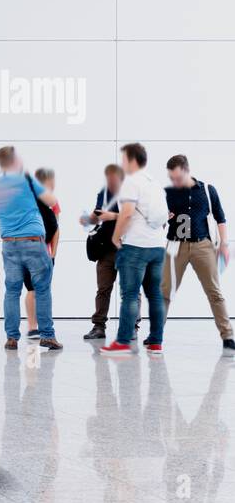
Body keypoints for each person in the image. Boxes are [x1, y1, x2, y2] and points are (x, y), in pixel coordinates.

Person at [0, 146, 62, 350]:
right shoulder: (26, 180)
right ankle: (47, 336)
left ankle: (11, 338)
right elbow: (51, 200)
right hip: (33, 242)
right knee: (42, 289)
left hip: (9, 244)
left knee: (12, 291)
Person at [162, 154, 235, 355]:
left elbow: (220, 217)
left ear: (187, 170)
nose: (174, 182)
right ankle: (156, 335)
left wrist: (224, 244)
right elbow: (157, 219)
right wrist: (163, 217)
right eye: (171, 178)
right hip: (176, 246)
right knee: (165, 291)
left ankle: (228, 336)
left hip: (203, 245)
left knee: (214, 291)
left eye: (177, 178)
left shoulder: (207, 190)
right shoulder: (167, 193)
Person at [101, 143, 169, 356]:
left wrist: (115, 236)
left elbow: (127, 213)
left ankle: (122, 343)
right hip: (157, 246)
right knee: (155, 296)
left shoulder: (131, 182)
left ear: (131, 159)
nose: (121, 163)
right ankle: (156, 342)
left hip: (136, 246)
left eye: (123, 159)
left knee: (130, 295)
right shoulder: (155, 183)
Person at [82, 164, 138, 340]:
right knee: (103, 289)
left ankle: (132, 327)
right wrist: (90, 218)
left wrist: (111, 216)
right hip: (106, 248)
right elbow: (98, 215)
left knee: (130, 290)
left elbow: (136, 218)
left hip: (128, 247)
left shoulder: (133, 193)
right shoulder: (104, 193)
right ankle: (99, 326)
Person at [21, 168, 60, 338]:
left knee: (39, 290)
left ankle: (39, 328)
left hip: (44, 252)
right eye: (52, 181)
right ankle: (32, 327)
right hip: (31, 251)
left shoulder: (51, 202)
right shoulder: (28, 200)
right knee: (33, 289)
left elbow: (56, 229)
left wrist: (53, 254)